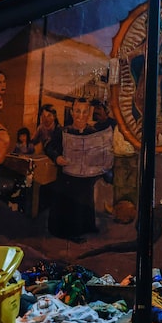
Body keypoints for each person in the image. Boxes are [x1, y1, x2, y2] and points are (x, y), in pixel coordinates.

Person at [45, 98, 113, 243]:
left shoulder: (93, 132)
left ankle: (87, 226)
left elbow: (102, 153)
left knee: (86, 200)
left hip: (87, 177)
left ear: (89, 113)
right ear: (72, 112)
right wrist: (57, 158)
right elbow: (49, 147)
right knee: (70, 203)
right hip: (68, 178)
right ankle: (70, 232)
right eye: (77, 111)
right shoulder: (63, 132)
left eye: (84, 112)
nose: (80, 115)